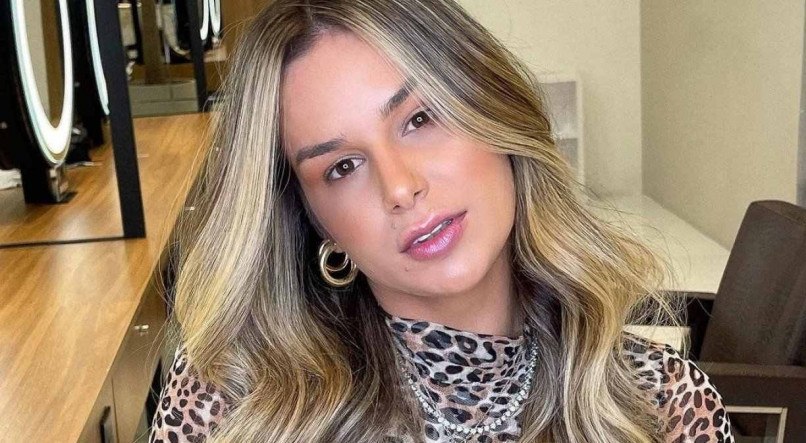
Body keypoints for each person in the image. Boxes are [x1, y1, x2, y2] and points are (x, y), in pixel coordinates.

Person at [149, 1, 734, 442]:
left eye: (420, 118)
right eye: (342, 167)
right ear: (313, 219)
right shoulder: (236, 401)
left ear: (493, 111)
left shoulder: (659, 405)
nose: (400, 187)